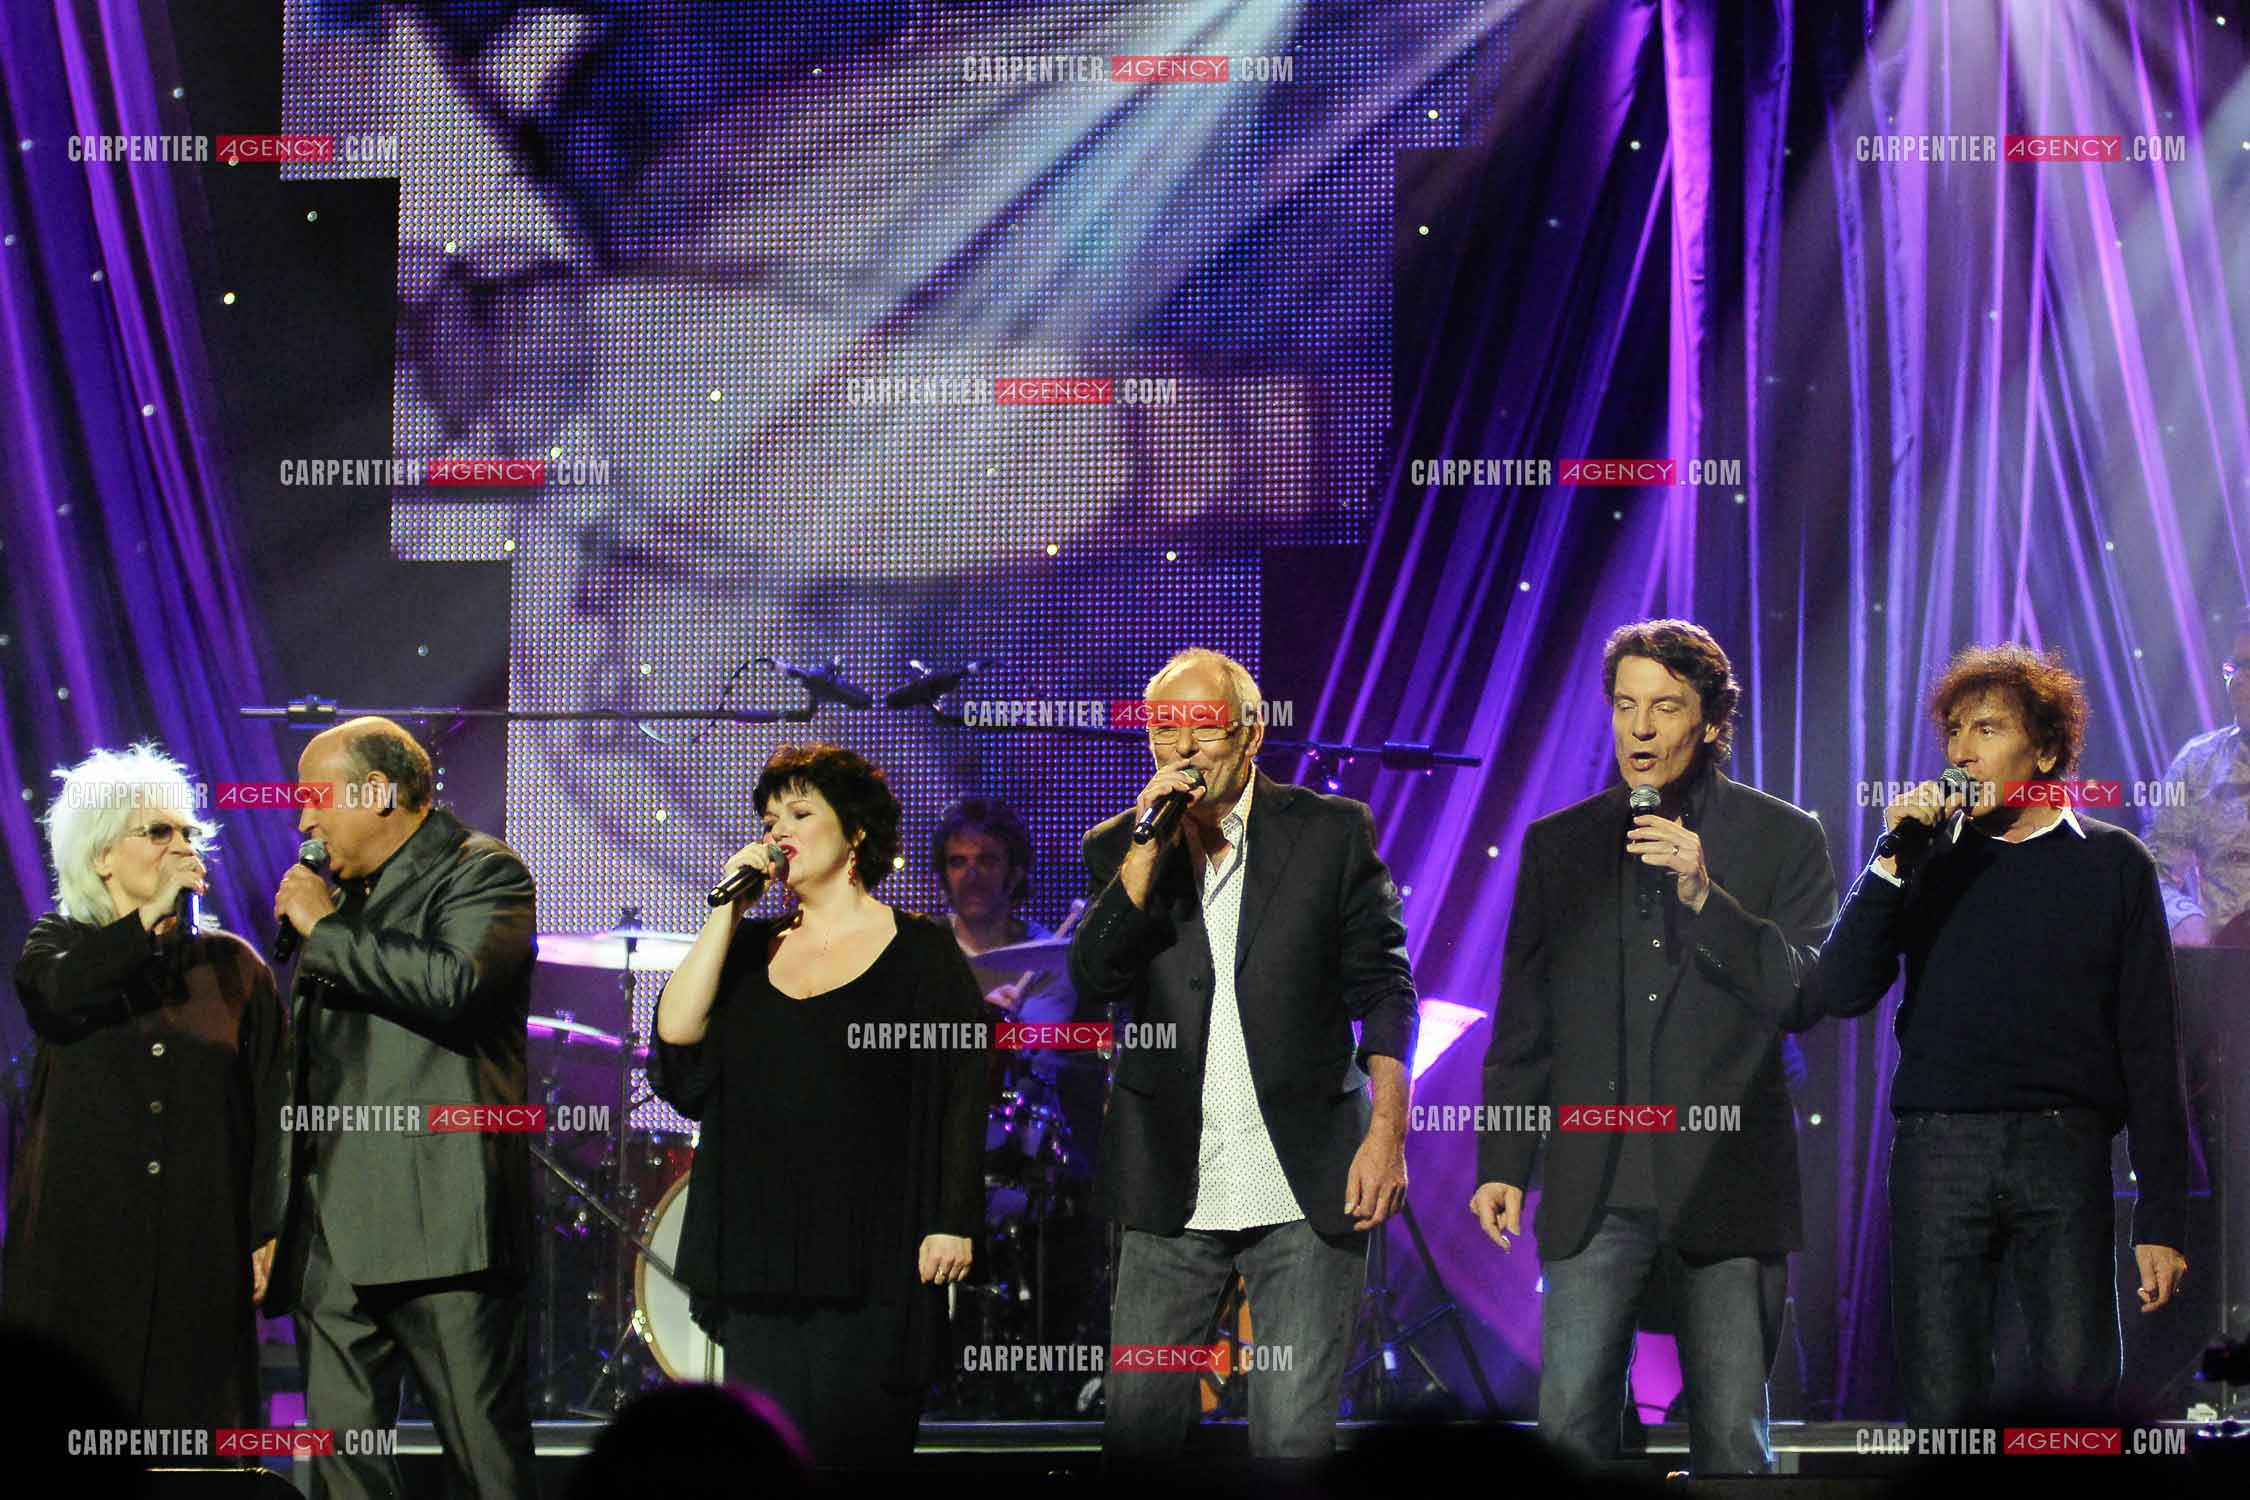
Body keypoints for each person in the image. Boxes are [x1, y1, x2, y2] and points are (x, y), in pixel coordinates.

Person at [1470, 620, 1839, 1474]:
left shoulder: (1782, 838)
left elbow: (1806, 995)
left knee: (1733, 1440)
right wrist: (1503, 1161)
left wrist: (1708, 896)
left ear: (1710, 723)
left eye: (1665, 708)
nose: (1639, 728)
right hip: (1594, 1186)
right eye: (1626, 706)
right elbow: (1525, 1017)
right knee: (1569, 1428)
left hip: (1727, 1185)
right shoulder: (1559, 845)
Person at [1802, 645, 2191, 1423]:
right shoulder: (1925, 858)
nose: (1961, 751)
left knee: (2076, 1392)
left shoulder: (2114, 864)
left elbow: (2150, 1048)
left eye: (1986, 728)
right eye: (1952, 732)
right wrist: (1890, 859)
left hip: (2066, 1147)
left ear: (2043, 749)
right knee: (1942, 1398)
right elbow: (1837, 991)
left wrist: (2162, 1219)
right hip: (1939, 1150)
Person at [1069, 647, 1418, 1461]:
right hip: (1170, 1186)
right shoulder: (1120, 848)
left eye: (1202, 727)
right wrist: (1148, 851)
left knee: (1293, 1441)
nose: (1182, 748)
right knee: (1140, 1435)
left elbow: (1385, 988)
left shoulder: (1330, 832)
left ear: (1251, 733)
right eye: (1164, 729)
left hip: (1304, 1179)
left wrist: (1387, 1133)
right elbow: (1095, 973)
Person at [648, 742, 988, 1470]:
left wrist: (952, 1220)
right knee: (770, 1464)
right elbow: (676, 1036)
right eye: (771, 820)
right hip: (758, 1249)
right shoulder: (748, 950)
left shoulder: (920, 949)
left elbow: (963, 1089)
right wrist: (726, 909)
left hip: (875, 1252)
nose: (780, 833)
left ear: (855, 831)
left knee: (856, 1456)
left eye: (800, 813)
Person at [262, 717, 539, 1498]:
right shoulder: (342, 899)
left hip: (440, 1231)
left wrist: (326, 927)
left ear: (378, 792)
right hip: (331, 1238)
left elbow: (454, 986)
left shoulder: (481, 871)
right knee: (343, 1471)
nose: (304, 822)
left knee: (484, 1462)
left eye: (316, 800)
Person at [5, 744, 284, 1432]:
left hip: (200, 1246)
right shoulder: (58, 947)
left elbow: (275, 1110)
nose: (181, 846)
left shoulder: (235, 969)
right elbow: (58, 1001)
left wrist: (269, 1227)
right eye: (157, 832)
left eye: (187, 832)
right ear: (103, 855)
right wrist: (144, 924)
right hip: (82, 1251)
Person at [2148, 606, 2250, 946]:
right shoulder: (2198, 762)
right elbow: (2153, 872)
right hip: (2230, 966)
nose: (2238, 680)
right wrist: (2184, 920)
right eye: (2234, 668)